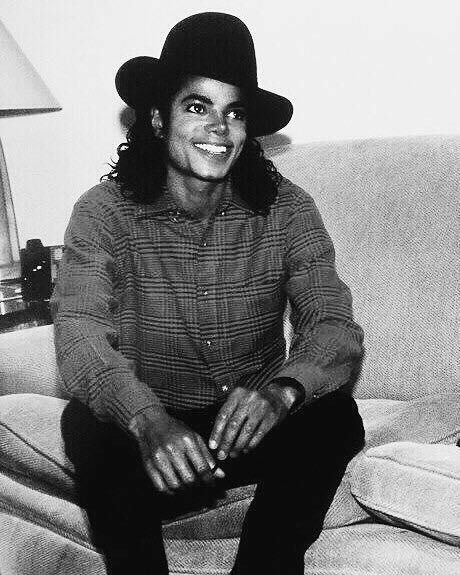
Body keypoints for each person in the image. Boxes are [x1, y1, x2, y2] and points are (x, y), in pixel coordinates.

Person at [52, 12, 365, 575]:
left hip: (251, 427)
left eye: (234, 112)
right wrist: (147, 420)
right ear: (157, 118)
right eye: (198, 107)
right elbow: (79, 336)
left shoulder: (288, 209)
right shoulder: (102, 213)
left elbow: (334, 325)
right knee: (85, 426)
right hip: (153, 437)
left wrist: (282, 393)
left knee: (336, 417)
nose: (219, 128)